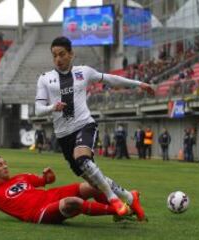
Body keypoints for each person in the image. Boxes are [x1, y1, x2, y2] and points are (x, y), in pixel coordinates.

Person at [35, 36, 153, 220]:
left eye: (62, 54)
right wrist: (52, 107)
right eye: (55, 55)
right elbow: (38, 109)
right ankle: (131, 197)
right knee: (94, 180)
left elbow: (111, 80)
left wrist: (139, 84)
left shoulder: (84, 72)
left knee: (82, 158)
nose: (58, 59)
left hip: (84, 125)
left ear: (71, 54)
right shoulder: (45, 79)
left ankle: (114, 200)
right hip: (64, 136)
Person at [0, 155, 137, 224]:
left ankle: (116, 210)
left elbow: (47, 180)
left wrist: (48, 175)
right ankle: (118, 210)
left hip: (51, 195)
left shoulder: (22, 177)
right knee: (74, 202)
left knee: (92, 186)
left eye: (5, 163)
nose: (5, 167)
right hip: (38, 212)